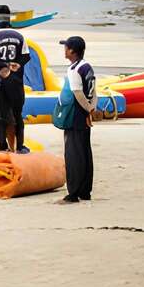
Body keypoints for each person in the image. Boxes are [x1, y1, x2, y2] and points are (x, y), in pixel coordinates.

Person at [0, 10, 31, 153]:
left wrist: (3, 66)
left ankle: (3, 146)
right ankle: (20, 146)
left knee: (0, 116)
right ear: (9, 20)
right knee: (17, 114)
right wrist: (15, 65)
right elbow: (26, 56)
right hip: (15, 81)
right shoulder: (19, 35)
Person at [59, 36, 96, 204]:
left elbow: (77, 92)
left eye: (66, 47)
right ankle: (85, 191)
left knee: (73, 153)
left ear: (72, 51)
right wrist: (91, 108)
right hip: (84, 113)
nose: (64, 50)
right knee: (84, 151)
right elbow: (93, 92)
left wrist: (86, 109)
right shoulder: (86, 66)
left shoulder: (74, 69)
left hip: (75, 113)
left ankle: (72, 193)